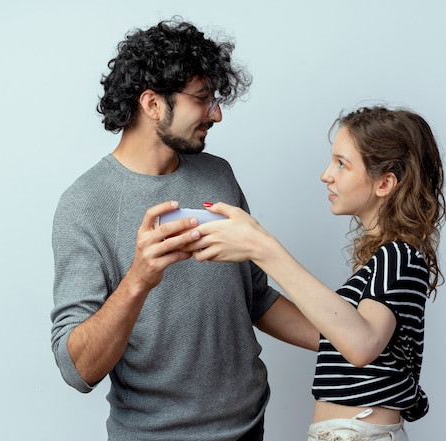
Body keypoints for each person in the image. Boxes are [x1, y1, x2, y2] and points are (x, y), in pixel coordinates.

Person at [50, 18, 318, 441]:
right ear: (152, 103)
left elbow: (255, 298)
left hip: (250, 424)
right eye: (202, 99)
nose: (217, 114)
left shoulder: (218, 175)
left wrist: (348, 341)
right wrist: (139, 279)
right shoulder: (84, 205)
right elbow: (77, 369)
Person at [190, 106, 446, 441]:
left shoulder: (397, 255)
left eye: (342, 163)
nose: (327, 174)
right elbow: (346, 337)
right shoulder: (386, 261)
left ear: (384, 183)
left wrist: (263, 249)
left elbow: (361, 344)